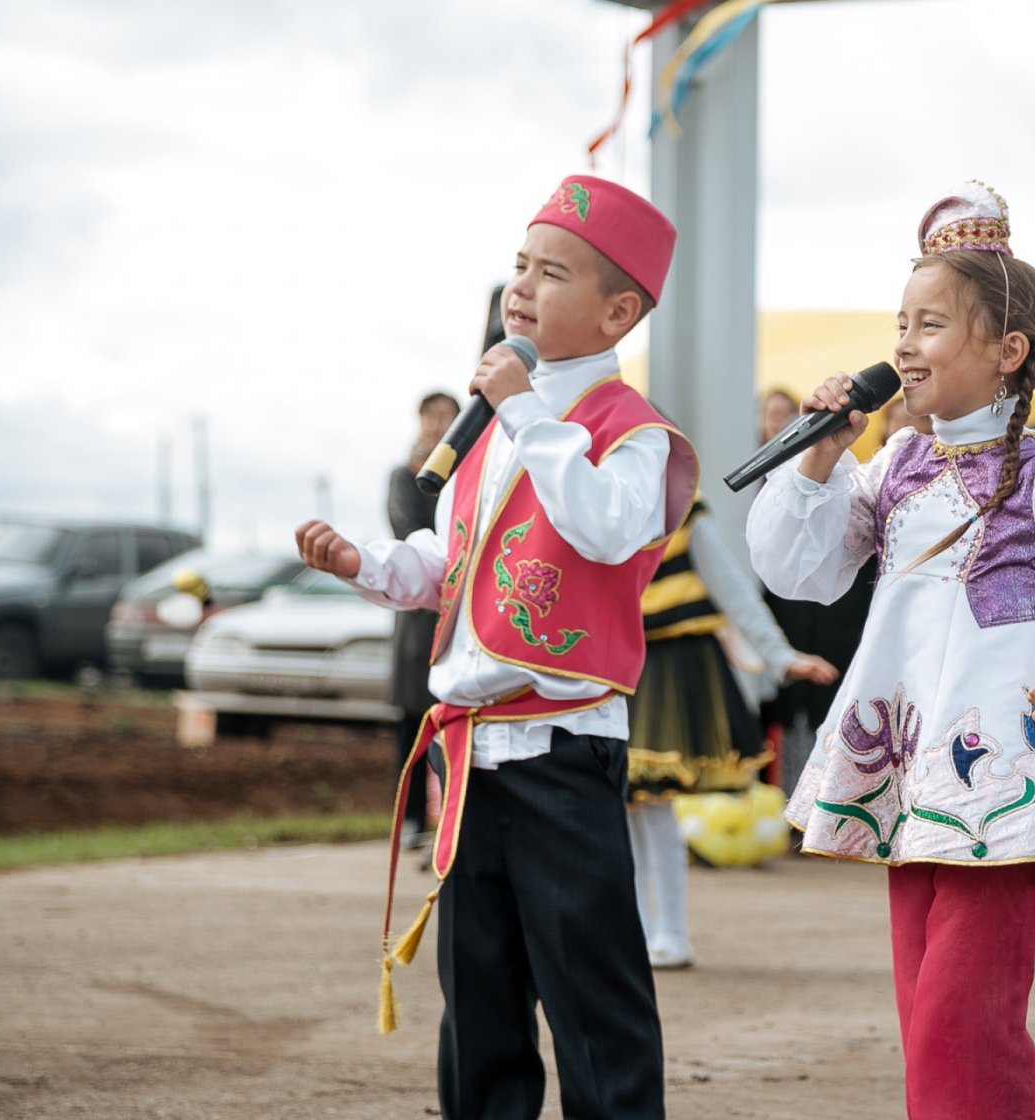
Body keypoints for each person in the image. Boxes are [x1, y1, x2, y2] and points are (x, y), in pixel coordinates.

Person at [747, 181, 1035, 1119]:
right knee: (928, 1015)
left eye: (928, 325)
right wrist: (821, 456)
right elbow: (799, 569)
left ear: (1008, 352)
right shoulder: (892, 469)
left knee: (963, 1020)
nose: (903, 346)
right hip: (914, 770)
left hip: (1005, 771)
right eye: (900, 323)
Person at [296, 174, 697, 1120]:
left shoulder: (632, 433)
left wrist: (522, 409)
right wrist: (365, 562)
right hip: (470, 755)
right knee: (478, 998)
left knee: (591, 1000)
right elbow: (452, 562)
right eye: (518, 266)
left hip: (562, 749)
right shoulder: (487, 434)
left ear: (617, 311)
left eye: (550, 272)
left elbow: (602, 529)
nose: (520, 287)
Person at [626, 494, 836, 969]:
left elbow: (732, 588)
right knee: (624, 808)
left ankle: (670, 932)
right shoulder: (590, 507)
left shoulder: (681, 508)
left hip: (672, 667)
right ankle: (636, 933)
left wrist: (780, 656)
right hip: (618, 665)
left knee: (652, 802)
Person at [387, 390, 460, 843]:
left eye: (446, 417)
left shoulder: (469, 468)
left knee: (452, 722)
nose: (436, 424)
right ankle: (411, 821)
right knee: (411, 723)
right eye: (429, 416)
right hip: (418, 614)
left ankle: (450, 816)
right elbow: (408, 530)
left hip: (457, 612)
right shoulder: (404, 475)